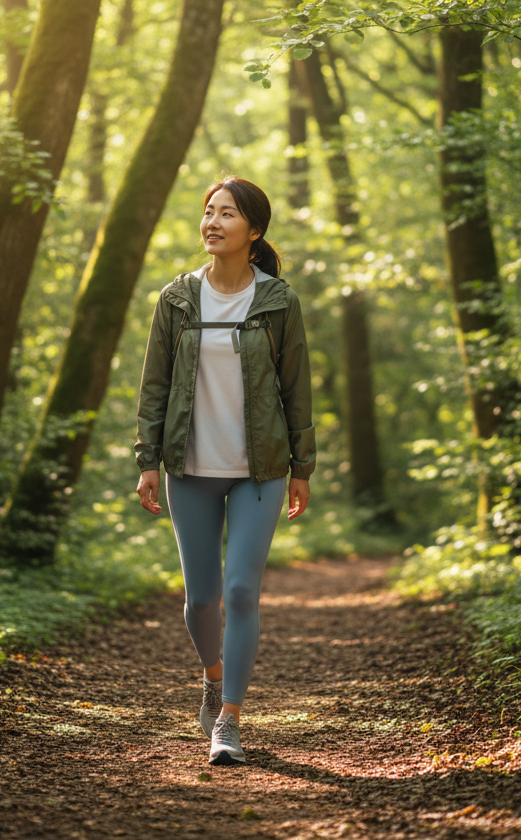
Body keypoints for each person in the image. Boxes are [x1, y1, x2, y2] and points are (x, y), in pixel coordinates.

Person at [135, 176, 316, 766]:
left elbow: (296, 388)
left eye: (227, 214)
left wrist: (302, 467)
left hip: (259, 469)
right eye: (208, 212)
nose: (212, 222)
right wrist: (147, 462)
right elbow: (155, 386)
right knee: (201, 600)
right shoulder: (178, 298)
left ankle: (230, 722)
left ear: (254, 231)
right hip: (189, 463)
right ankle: (212, 676)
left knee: (240, 591)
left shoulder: (278, 301)